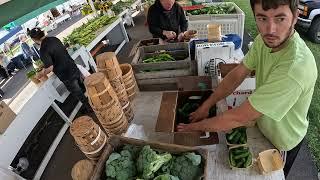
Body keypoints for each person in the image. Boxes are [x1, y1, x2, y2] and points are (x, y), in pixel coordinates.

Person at [177, 0, 317, 177]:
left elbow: (238, 117)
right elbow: (237, 74)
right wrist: (207, 104)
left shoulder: (294, 69)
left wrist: (193, 127)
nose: (270, 29)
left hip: (282, 140)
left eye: (280, 19)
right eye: (262, 18)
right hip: (264, 124)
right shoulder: (263, 41)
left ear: (295, 17)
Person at [28, 28, 92, 113]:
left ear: (34, 39)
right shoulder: (54, 39)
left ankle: (91, 108)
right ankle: (94, 100)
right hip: (73, 67)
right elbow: (59, 53)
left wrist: (41, 73)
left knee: (79, 93)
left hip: (66, 75)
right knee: (83, 88)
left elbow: (50, 68)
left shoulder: (43, 49)